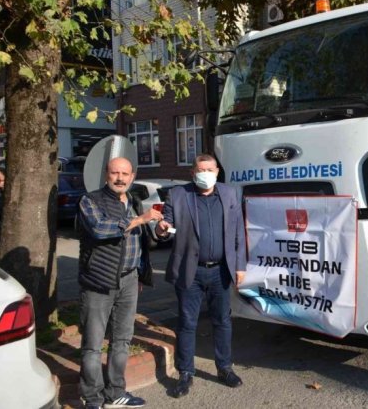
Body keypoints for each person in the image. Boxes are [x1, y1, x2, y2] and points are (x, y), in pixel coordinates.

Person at [156, 154, 246, 398]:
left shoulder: (230, 194)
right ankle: (186, 373)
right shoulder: (178, 195)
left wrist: (240, 266)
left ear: (217, 172)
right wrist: (161, 229)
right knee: (187, 323)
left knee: (222, 321)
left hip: (221, 271)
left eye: (209, 169)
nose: (205, 173)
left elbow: (238, 232)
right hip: (190, 271)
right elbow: (166, 227)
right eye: (200, 169)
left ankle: (224, 368)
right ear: (192, 173)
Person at [77, 157, 162, 409]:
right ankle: (92, 398)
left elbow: (141, 239)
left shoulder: (133, 201)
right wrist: (140, 219)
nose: (120, 178)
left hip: (129, 280)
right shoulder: (90, 200)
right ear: (106, 174)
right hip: (99, 281)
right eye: (115, 173)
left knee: (122, 340)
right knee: (92, 345)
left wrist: (159, 230)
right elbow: (100, 229)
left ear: (132, 176)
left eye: (125, 174)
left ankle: (115, 392)